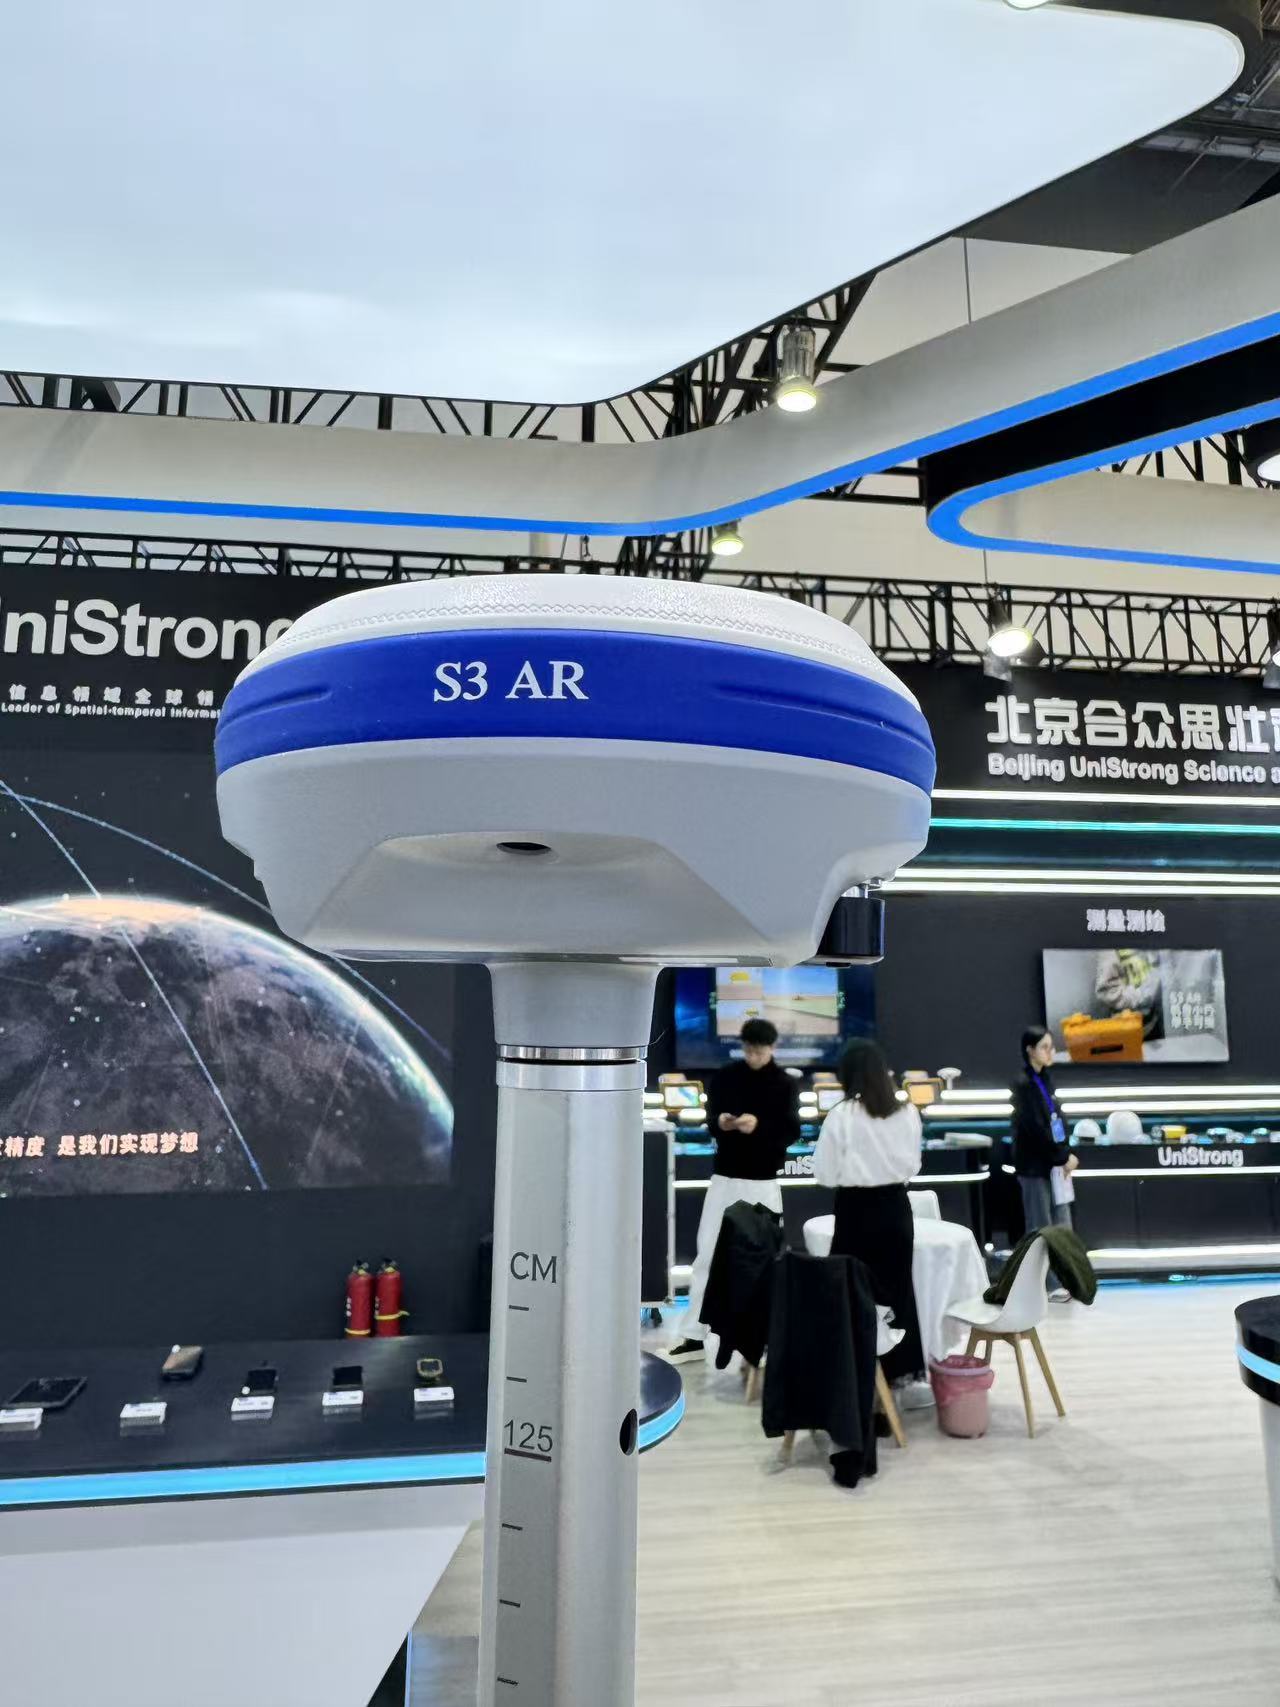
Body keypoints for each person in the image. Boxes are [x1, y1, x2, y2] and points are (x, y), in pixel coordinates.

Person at [667, 1018, 800, 1362]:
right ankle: (694, 1334)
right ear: (743, 1047)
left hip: (764, 1182)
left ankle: (763, 1337)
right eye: (749, 1050)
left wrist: (760, 1126)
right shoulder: (726, 1077)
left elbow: (790, 1131)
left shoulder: (785, 1084)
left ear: (772, 1048)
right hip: (725, 1178)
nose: (754, 1056)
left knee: (762, 1260)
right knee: (707, 1255)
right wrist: (722, 1123)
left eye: (760, 1051)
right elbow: (711, 1119)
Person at [812, 1038, 926, 1390]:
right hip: (895, 1210)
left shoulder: (842, 1115)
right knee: (897, 1291)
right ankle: (897, 1373)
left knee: (852, 1293)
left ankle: (855, 1372)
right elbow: (914, 1166)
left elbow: (824, 1173)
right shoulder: (908, 1112)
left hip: (855, 1212)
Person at [1011, 1024, 1078, 1301]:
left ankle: (1065, 1278)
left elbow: (1056, 1121)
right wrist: (1061, 1156)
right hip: (1035, 1167)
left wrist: (1064, 1152)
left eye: (1051, 1047)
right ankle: (1047, 1285)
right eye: (1045, 1047)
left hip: (1054, 1164)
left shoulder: (1045, 1080)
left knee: (1061, 1224)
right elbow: (1035, 1128)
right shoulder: (1023, 1085)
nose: (1050, 1052)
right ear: (1030, 1050)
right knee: (1041, 1226)